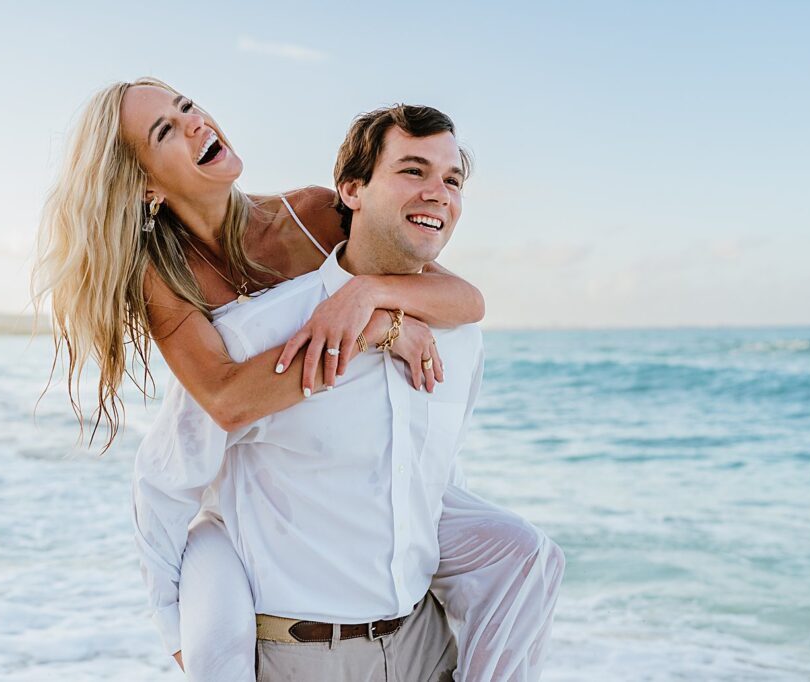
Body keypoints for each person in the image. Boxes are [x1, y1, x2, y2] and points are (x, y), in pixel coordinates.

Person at [34, 78, 564, 680]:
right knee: (214, 618)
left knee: (524, 553)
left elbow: (461, 298)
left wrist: (370, 296)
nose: (194, 122)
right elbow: (226, 401)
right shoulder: (163, 276)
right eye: (164, 130)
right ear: (143, 183)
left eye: (187, 106)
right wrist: (371, 332)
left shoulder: (311, 212)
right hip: (263, 504)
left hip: (354, 470)